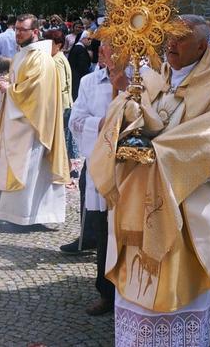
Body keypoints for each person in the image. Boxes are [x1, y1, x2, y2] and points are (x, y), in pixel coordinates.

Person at [90, 15, 210, 347]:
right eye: (168, 37)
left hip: (188, 200)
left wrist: (162, 151)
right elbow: (120, 118)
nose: (171, 44)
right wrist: (126, 109)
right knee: (138, 275)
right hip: (139, 194)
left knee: (182, 272)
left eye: (180, 38)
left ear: (202, 46)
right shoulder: (151, 78)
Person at [0, 14, 69, 225]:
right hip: (20, 120)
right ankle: (23, 214)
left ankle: (26, 216)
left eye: (22, 30)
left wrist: (10, 89)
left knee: (31, 170)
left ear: (35, 32)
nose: (18, 33)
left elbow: (36, 90)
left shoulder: (39, 56)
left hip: (32, 124)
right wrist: (6, 82)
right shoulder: (24, 53)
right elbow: (22, 81)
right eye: (16, 29)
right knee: (28, 170)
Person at [65, 40, 119, 315]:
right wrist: (101, 124)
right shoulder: (89, 81)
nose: (103, 54)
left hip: (133, 167)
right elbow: (75, 120)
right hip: (99, 161)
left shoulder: (148, 78)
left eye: (111, 49)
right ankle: (106, 292)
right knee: (103, 229)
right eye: (102, 50)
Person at [45, 29, 76, 162]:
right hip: (65, 104)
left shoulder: (56, 60)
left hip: (61, 106)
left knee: (61, 142)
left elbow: (60, 85)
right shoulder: (59, 57)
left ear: (58, 45)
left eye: (49, 43)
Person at [68, 30, 93, 100]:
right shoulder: (80, 49)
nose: (90, 41)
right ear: (82, 39)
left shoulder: (77, 47)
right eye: (88, 39)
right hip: (78, 78)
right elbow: (83, 67)